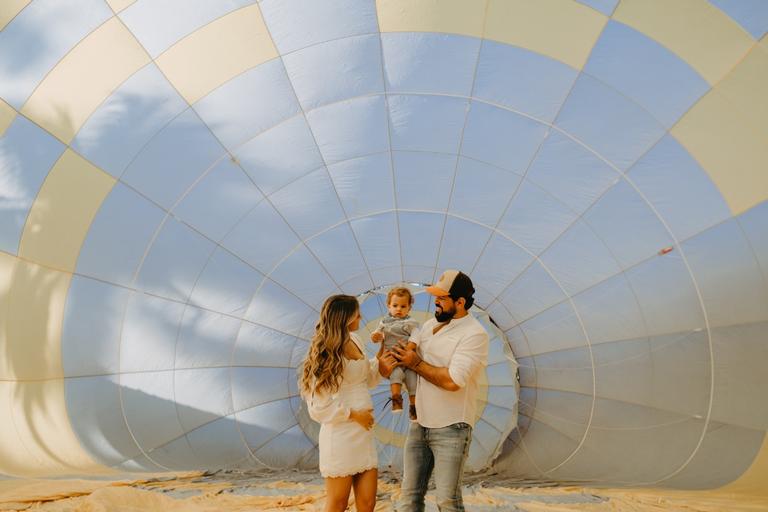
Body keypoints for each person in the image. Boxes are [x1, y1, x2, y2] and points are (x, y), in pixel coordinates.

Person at [378, 270, 488, 512]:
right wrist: (388, 362)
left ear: (460, 302)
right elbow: (398, 365)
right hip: (419, 424)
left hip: (452, 428)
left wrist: (414, 362)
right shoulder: (427, 326)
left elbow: (453, 381)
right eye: (435, 296)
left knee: (447, 501)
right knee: (409, 499)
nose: (436, 301)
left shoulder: (474, 334)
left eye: (442, 297)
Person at [299, 294, 380, 512]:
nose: (361, 317)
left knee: (367, 503)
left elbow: (365, 379)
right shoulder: (325, 352)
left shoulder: (356, 340)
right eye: (357, 313)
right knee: (338, 503)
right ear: (345, 317)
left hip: (364, 433)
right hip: (340, 434)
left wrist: (382, 361)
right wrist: (354, 415)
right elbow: (318, 407)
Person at [370, 286, 420, 420]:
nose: (399, 309)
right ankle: (396, 399)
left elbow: (415, 337)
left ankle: (413, 406)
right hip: (392, 358)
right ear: (388, 306)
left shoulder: (411, 323)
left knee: (412, 380)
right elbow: (378, 333)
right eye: (395, 305)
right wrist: (376, 336)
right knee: (395, 375)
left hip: (407, 357)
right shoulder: (384, 322)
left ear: (409, 307)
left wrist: (408, 348)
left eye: (403, 306)